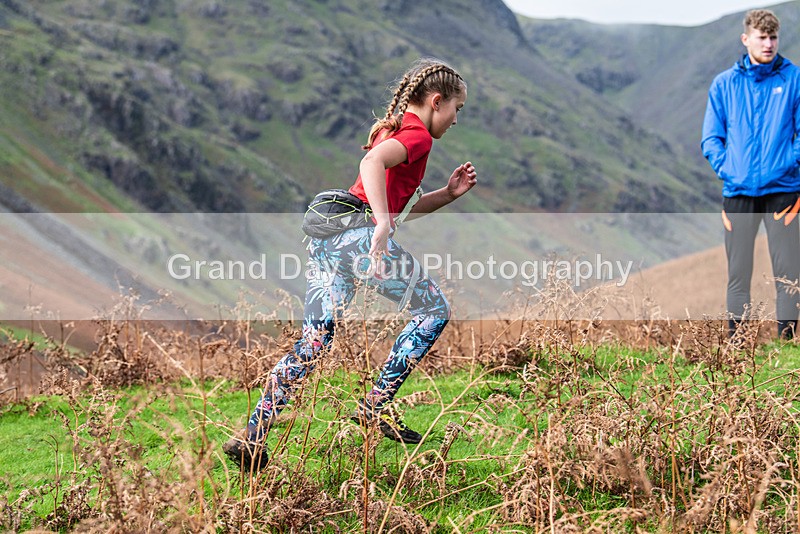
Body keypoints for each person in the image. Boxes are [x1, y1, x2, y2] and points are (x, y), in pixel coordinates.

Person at [224, 58, 477, 469]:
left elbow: (396, 207)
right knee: (434, 311)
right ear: (436, 101)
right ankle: (375, 404)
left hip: (329, 242)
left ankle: (252, 435)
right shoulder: (417, 136)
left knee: (313, 342)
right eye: (457, 110)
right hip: (359, 239)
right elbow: (371, 166)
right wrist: (379, 225)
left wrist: (446, 195)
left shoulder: (393, 129)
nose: (455, 120)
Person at [701, 9, 800, 340]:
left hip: (784, 191)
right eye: (762, 37)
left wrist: (788, 161)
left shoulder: (793, 79)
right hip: (739, 192)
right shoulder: (724, 84)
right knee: (738, 274)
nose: (769, 44)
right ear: (746, 39)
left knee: (788, 274)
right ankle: (736, 348)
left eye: (773, 37)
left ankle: (788, 345)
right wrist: (728, 168)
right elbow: (711, 138)